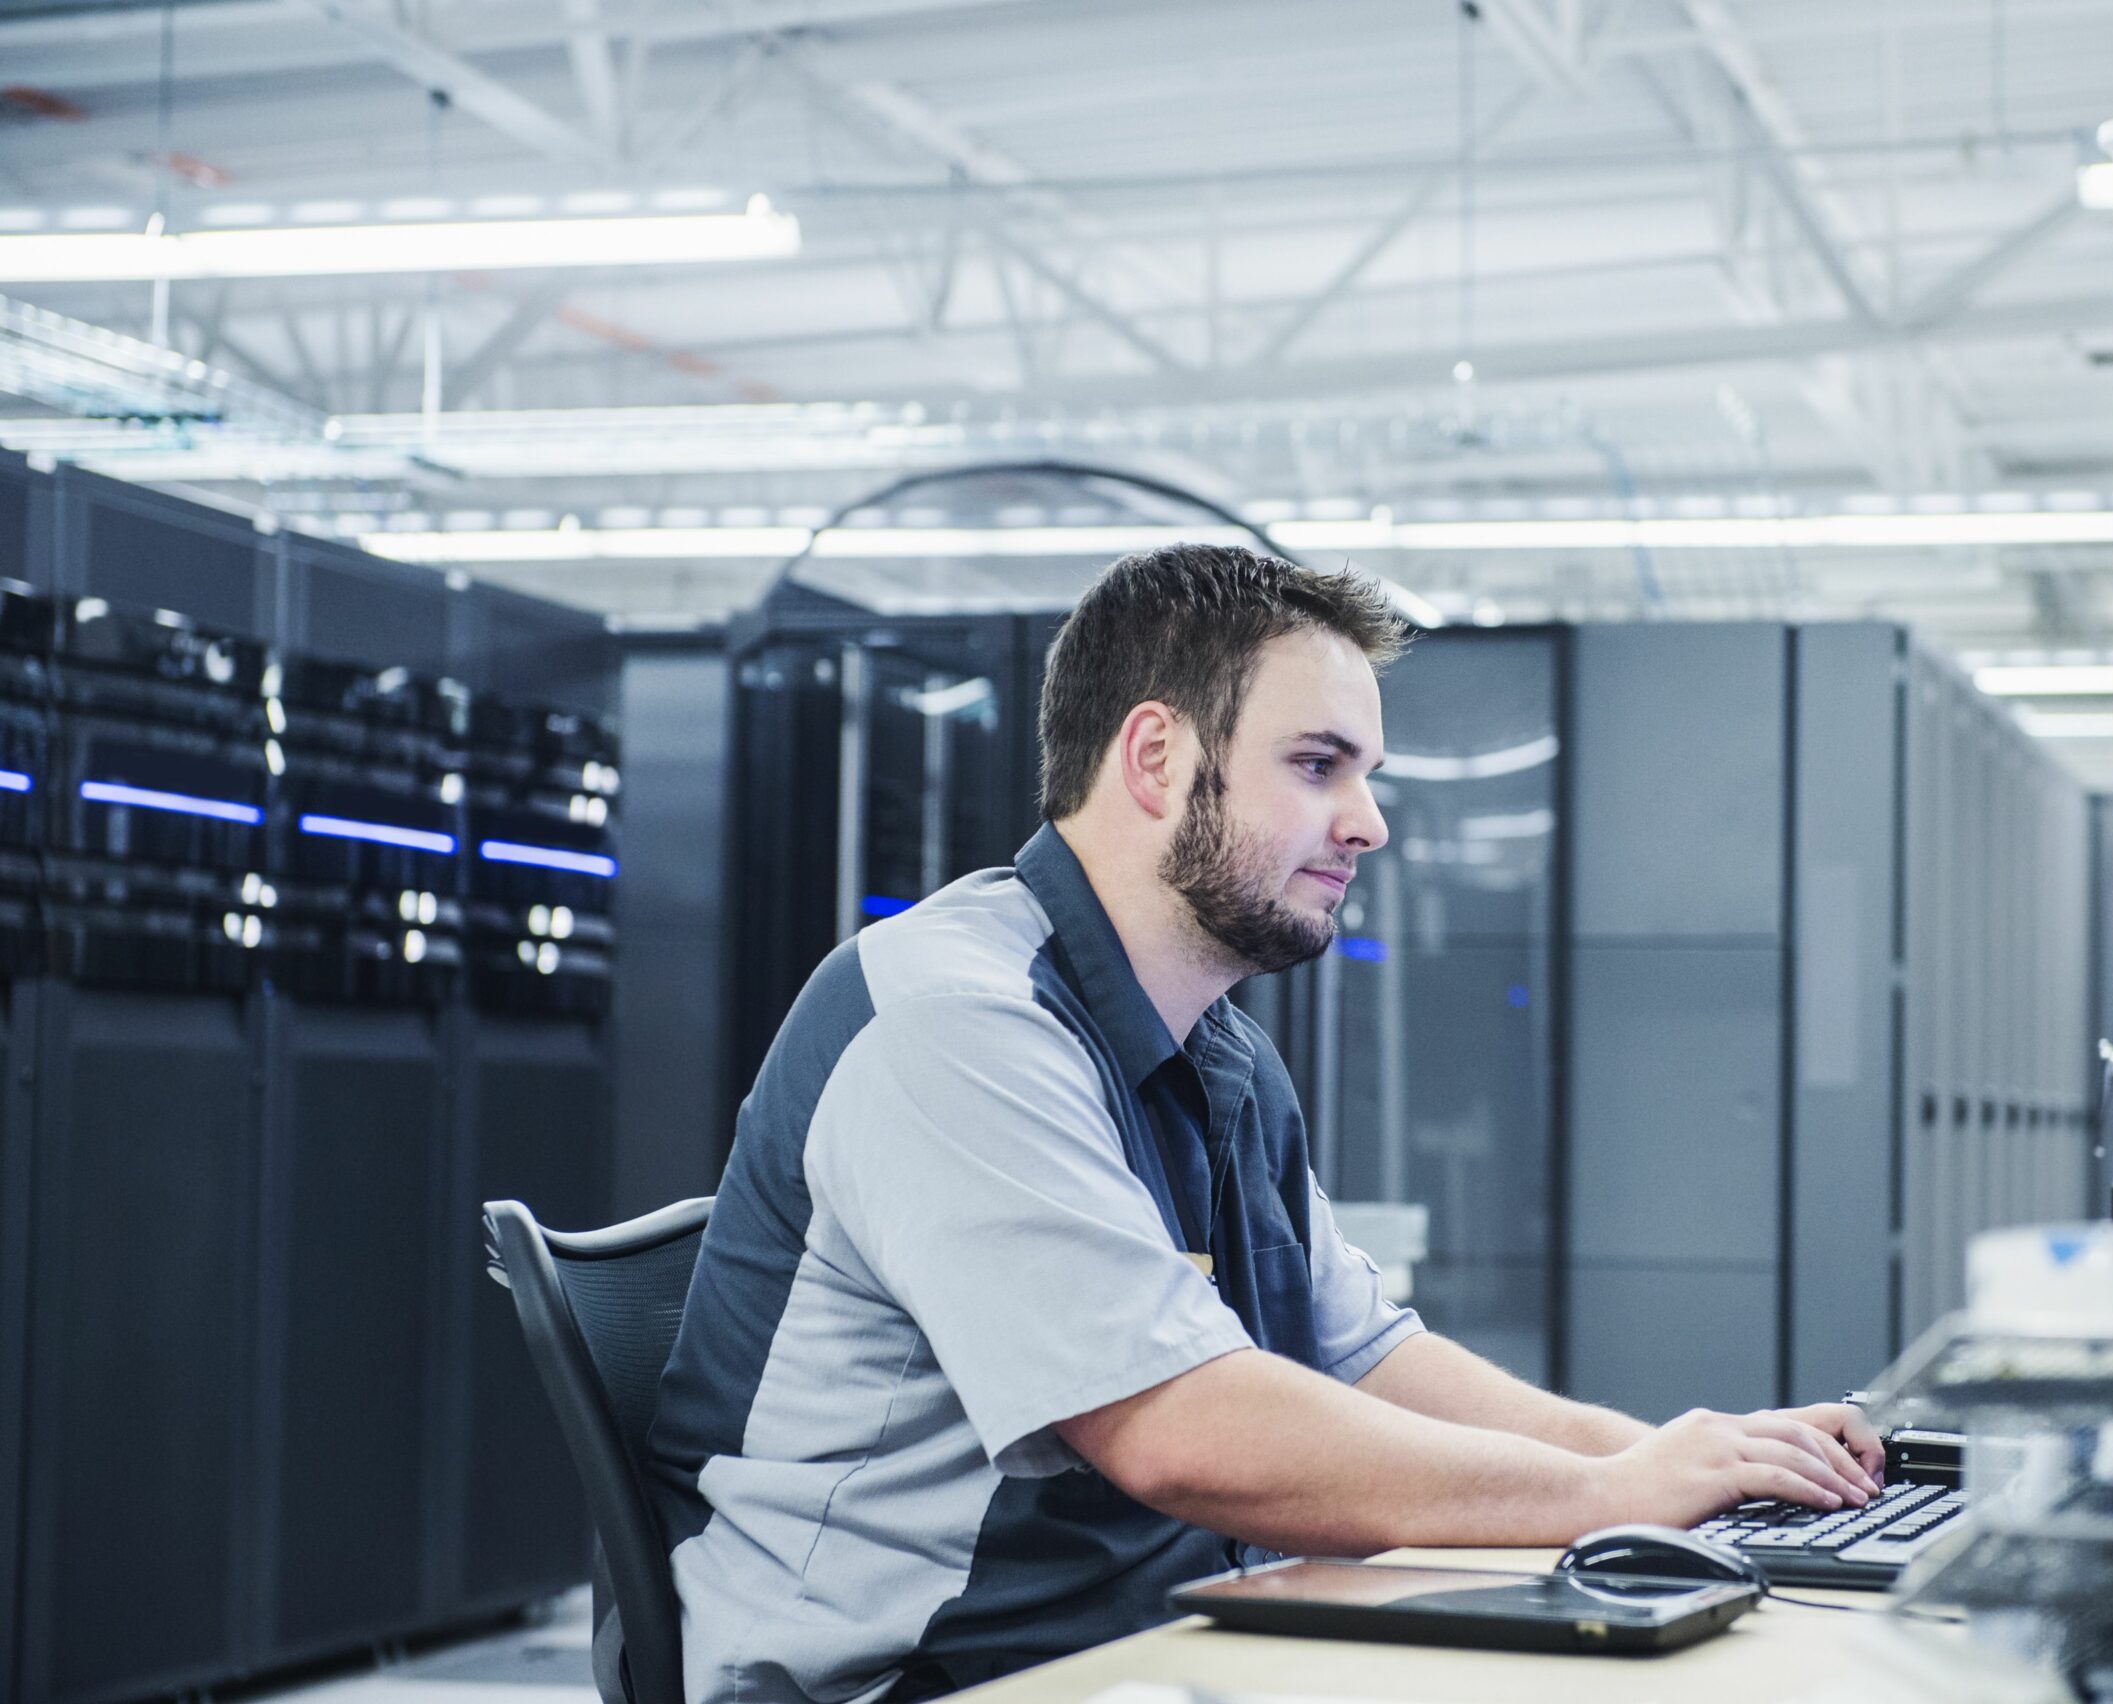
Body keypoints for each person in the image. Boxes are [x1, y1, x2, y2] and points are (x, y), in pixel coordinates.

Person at [649, 544, 1883, 1703]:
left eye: (1366, 776)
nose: (1367, 822)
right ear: (1155, 758)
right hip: (907, 1677)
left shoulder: (1215, 1049)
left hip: (1129, 1641)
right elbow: (1181, 1432)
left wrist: (1679, 1474)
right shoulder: (950, 1022)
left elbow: (1357, 1355)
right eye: (1316, 765)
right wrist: (1602, 1493)